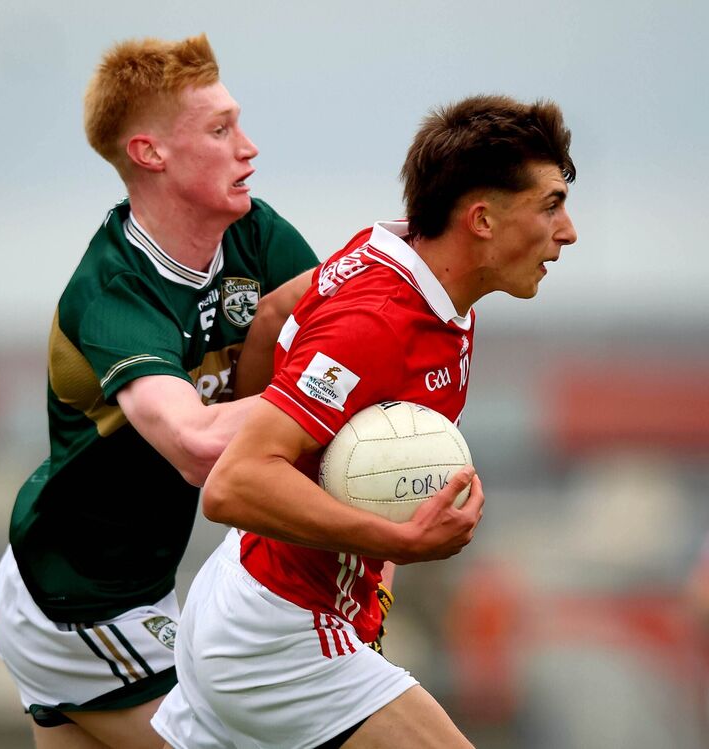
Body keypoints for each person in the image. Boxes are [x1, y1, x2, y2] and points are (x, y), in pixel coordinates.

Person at [151, 94, 578, 749]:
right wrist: (397, 539)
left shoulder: (412, 268)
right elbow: (232, 486)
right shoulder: (377, 324)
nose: (568, 230)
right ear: (482, 219)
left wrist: (300, 458)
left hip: (251, 593)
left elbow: (274, 313)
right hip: (277, 635)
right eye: (551, 205)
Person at [0, 34, 318, 749]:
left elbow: (337, 326)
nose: (249, 147)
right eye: (220, 130)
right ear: (149, 153)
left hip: (137, 588)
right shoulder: (114, 293)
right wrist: (328, 394)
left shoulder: (254, 234)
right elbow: (197, 447)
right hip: (76, 599)